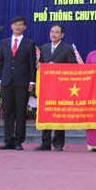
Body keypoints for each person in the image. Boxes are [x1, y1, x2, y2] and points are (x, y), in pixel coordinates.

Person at [34, 24, 78, 152]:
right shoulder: (44, 48)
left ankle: (58, 143)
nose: (53, 34)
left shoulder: (68, 48)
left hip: (61, 87)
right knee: (46, 112)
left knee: (59, 114)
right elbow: (41, 63)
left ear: (62, 35)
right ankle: (45, 142)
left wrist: (57, 66)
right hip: (46, 87)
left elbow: (73, 67)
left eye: (57, 32)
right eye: (52, 32)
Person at [0, 16, 37, 150]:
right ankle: (8, 140)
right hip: (6, 82)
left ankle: (19, 140)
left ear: (24, 27)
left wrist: (32, 81)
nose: (18, 27)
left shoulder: (29, 43)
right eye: (15, 24)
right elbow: (1, 62)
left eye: (20, 25)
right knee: (8, 112)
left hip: (22, 82)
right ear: (11, 26)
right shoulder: (4, 42)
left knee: (20, 112)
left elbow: (32, 64)